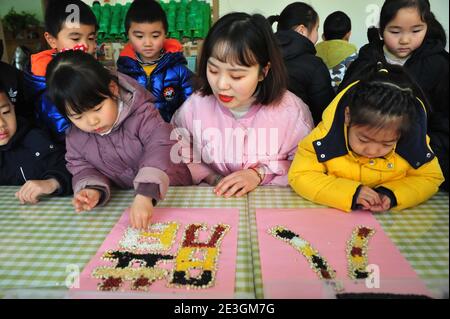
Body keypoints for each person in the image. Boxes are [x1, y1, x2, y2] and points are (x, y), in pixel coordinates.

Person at [172, 13, 313, 198]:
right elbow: (177, 149)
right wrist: (209, 177)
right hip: (216, 205)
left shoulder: (292, 113)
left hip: (270, 208)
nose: (221, 84)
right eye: (213, 70)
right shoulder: (194, 107)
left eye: (236, 76)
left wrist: (260, 174)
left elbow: (307, 165)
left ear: (263, 71)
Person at [46, 51, 192, 230]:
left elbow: (161, 146)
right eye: (77, 116)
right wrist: (92, 189)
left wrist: (146, 193)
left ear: (113, 89)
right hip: (128, 203)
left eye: (97, 108)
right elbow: (82, 167)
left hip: (172, 192)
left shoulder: (143, 114)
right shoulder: (76, 137)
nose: (92, 121)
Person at [288, 65, 444, 212]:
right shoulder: (323, 139)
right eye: (363, 140)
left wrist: (392, 194)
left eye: (387, 144)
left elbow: (430, 177)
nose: (372, 150)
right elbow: (301, 174)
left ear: (402, 134)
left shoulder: (413, 143)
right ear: (348, 116)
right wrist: (351, 193)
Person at [339, 0, 448, 191]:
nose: (405, 40)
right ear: (381, 29)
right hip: (359, 164)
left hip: (413, 166)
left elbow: (444, 125)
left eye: (416, 31)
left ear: (427, 27)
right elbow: (339, 112)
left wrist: (418, 150)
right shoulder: (365, 60)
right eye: (395, 32)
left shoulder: (440, 66)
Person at [24, 0, 98, 142]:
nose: (85, 45)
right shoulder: (47, 84)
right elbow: (63, 132)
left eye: (91, 38)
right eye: (75, 38)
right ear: (52, 40)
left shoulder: (83, 66)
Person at [117, 0, 193, 123]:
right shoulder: (123, 72)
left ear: (165, 34)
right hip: (136, 137)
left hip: (171, 133)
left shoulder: (179, 70)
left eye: (155, 36)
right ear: (128, 35)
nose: (148, 43)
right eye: (139, 36)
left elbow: (192, 105)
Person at [0, 81, 72, 204]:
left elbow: (72, 167)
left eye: (6, 112)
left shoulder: (35, 139)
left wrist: (52, 182)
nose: (1, 123)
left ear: (13, 108)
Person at [267, 2, 335, 125]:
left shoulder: (262, 56)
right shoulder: (315, 66)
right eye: (317, 28)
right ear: (302, 30)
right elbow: (325, 116)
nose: (318, 36)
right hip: (301, 140)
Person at [315, 11, 358, 91]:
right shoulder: (354, 58)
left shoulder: (312, 54)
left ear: (323, 36)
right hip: (343, 102)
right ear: (348, 34)